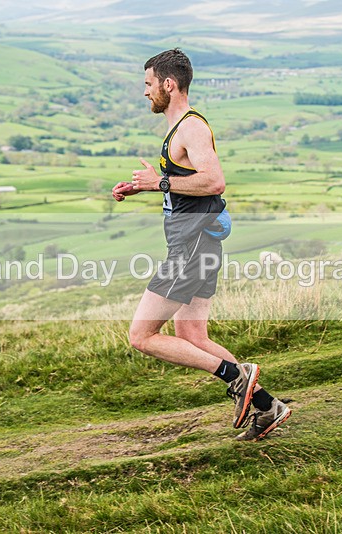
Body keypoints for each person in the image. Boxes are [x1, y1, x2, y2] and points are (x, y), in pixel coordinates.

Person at [111, 49, 291, 441]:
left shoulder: (191, 127)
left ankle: (235, 375)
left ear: (168, 84)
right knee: (193, 335)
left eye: (148, 84)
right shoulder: (178, 129)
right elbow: (186, 184)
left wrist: (158, 182)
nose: (145, 92)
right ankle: (268, 407)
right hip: (199, 245)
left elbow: (213, 181)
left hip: (191, 249)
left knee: (141, 336)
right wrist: (147, 185)